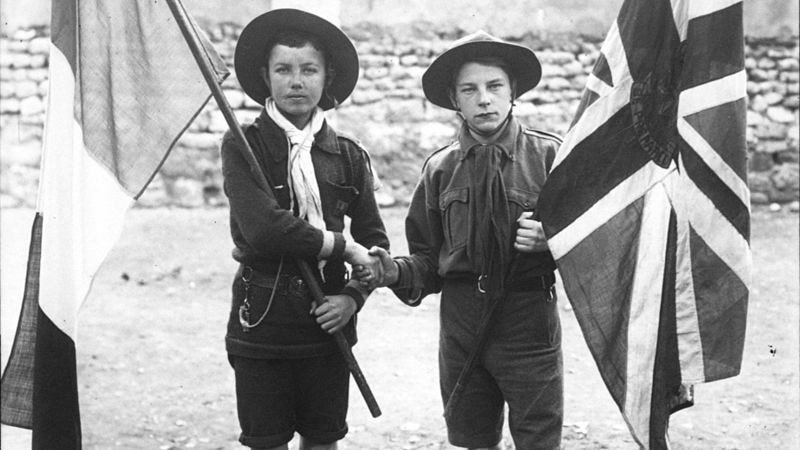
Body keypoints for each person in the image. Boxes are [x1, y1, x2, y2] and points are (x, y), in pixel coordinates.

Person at [358, 31, 563, 449]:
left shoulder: (551, 159)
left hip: (528, 320)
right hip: (462, 320)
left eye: (494, 87)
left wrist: (553, 238)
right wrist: (392, 271)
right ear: (455, 100)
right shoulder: (439, 169)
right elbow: (428, 260)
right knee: (471, 437)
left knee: (538, 438)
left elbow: (596, 243)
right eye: (469, 90)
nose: (484, 99)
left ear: (513, 93)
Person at [221, 9, 388, 450]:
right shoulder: (244, 146)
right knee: (267, 441)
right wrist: (340, 246)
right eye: (284, 70)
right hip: (262, 322)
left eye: (309, 70)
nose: (297, 82)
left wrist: (352, 299)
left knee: (322, 439)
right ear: (265, 75)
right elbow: (264, 230)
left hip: (326, 325)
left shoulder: (348, 155)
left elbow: (375, 244)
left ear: (327, 76)